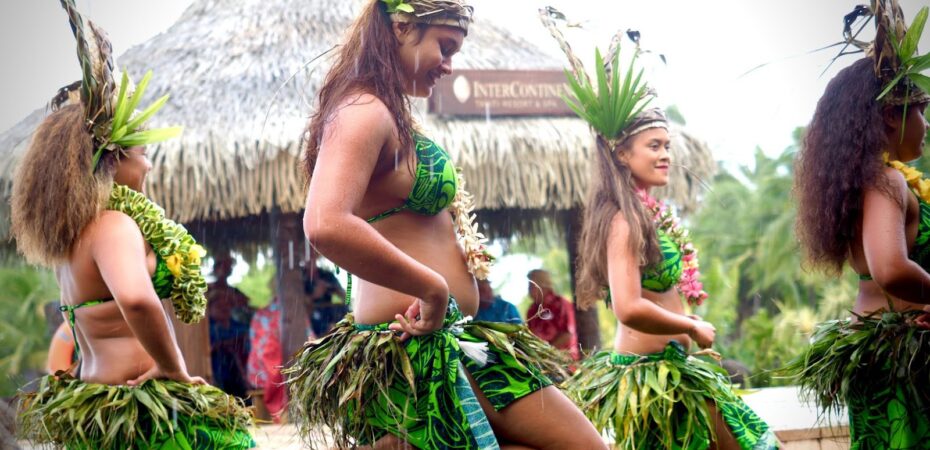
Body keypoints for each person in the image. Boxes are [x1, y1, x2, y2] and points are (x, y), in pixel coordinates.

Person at [285, 1, 605, 448]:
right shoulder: (363, 109)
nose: (450, 67)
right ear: (401, 27)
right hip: (413, 347)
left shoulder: (388, 111)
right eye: (445, 47)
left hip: (455, 343)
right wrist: (433, 289)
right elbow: (324, 223)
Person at [13, 2, 253, 448]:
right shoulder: (113, 225)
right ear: (115, 157)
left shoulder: (73, 238)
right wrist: (174, 369)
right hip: (142, 411)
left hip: (100, 405)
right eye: (143, 153)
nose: (149, 166)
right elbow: (138, 301)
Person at [540, 9, 779, 449]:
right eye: (654, 146)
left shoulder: (649, 215)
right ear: (622, 154)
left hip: (676, 369)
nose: (666, 154)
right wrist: (690, 326)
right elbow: (629, 307)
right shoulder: (622, 222)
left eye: (667, 145)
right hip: (650, 377)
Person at [787, 1, 930, 448]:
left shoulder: (865, 181)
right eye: (920, 110)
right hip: (900, 363)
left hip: (882, 355)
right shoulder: (885, 180)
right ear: (891, 115)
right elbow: (889, 269)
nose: (926, 125)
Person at [207, 254, 253, 398]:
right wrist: (225, 344)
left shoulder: (239, 326)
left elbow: (247, 302)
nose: (224, 307)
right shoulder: (206, 329)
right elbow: (207, 348)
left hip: (240, 375)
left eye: (227, 304)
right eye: (219, 305)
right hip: (217, 373)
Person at [525, 269, 579, 360]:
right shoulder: (531, 310)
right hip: (541, 362)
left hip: (563, 362)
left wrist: (546, 353)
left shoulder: (560, 304)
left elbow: (567, 334)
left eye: (531, 285)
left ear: (541, 285)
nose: (528, 289)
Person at [306, 265, 348, 336]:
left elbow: (344, 297)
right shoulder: (300, 276)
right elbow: (301, 303)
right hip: (315, 322)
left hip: (335, 318)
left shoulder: (327, 275)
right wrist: (315, 295)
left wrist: (330, 288)